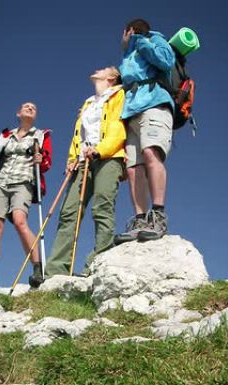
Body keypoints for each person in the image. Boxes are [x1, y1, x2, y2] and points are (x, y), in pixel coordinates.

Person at [45, 67, 126, 277]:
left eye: (104, 69)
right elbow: (78, 135)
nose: (98, 70)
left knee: (102, 205)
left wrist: (100, 150)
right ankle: (56, 271)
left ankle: (97, 263)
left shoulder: (119, 94)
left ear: (112, 77)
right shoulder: (89, 102)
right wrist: (72, 158)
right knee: (68, 212)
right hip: (83, 159)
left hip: (108, 156)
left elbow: (119, 128)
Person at [0, 102, 52, 288]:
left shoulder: (41, 135)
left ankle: (37, 267)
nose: (30, 108)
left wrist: (41, 160)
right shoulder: (5, 136)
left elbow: (46, 162)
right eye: (26, 106)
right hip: (0, 182)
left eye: (34, 107)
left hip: (24, 181)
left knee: (19, 221)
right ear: (18, 113)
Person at [114, 18, 176, 245]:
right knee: (133, 168)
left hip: (153, 103)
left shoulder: (153, 39)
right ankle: (140, 219)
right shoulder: (128, 56)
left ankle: (158, 215)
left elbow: (165, 61)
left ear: (128, 30)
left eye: (123, 34)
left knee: (151, 154)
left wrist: (140, 39)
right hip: (131, 113)